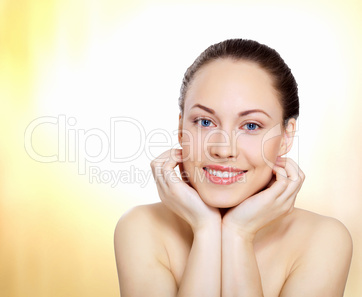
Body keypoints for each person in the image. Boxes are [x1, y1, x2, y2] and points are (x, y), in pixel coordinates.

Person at [114, 39, 352, 297]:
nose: (223, 149)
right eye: (205, 121)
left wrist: (239, 233)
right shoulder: (142, 227)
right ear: (182, 129)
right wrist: (205, 229)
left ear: (285, 136)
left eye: (251, 126)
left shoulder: (324, 240)